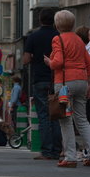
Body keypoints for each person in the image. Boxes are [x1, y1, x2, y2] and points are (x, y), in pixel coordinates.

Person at [44, 10, 90, 167]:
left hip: (64, 84)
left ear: (57, 25)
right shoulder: (78, 39)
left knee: (65, 119)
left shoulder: (58, 39)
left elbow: (58, 62)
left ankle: (70, 157)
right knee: (82, 119)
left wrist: (49, 62)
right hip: (81, 81)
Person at [24, 8, 62, 160]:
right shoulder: (58, 36)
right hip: (57, 79)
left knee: (44, 116)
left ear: (40, 20)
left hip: (40, 79)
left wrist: (35, 57)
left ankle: (47, 151)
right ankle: (58, 150)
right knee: (57, 115)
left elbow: (26, 59)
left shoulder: (33, 36)